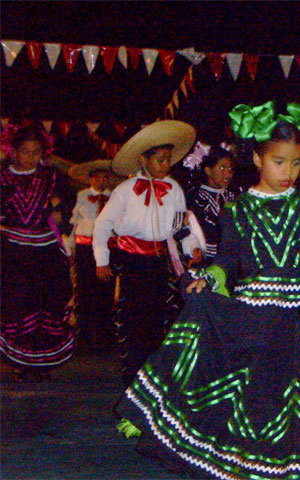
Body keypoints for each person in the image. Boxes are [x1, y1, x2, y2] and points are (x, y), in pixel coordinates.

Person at [115, 101, 300, 479]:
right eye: (279, 161)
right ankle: (250, 461)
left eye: (296, 162)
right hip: (254, 317)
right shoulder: (236, 211)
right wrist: (207, 278)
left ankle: (295, 463)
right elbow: (227, 261)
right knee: (258, 390)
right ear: (257, 158)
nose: (288, 171)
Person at [92, 120, 202, 386]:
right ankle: (132, 373)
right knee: (133, 316)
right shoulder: (126, 191)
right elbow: (102, 225)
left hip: (158, 261)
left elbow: (179, 224)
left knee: (157, 316)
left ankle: (152, 375)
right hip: (131, 260)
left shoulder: (174, 189)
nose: (166, 165)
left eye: (168, 160)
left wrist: (192, 247)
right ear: (144, 160)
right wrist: (102, 260)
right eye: (160, 160)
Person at [0, 123, 74, 380]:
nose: (30, 157)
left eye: (36, 152)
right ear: (13, 151)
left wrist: (58, 215)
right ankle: (23, 364)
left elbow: (61, 207)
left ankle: (42, 364)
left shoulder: (49, 176)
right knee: (20, 307)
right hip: (15, 253)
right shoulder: (3, 177)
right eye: (25, 151)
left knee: (47, 307)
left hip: (46, 253)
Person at [67, 160, 116, 352]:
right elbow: (75, 222)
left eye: (105, 177)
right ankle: (84, 333)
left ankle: (105, 333)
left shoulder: (114, 197)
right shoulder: (83, 196)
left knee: (106, 288)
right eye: (98, 177)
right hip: (85, 246)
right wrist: (70, 246)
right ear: (90, 179)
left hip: (106, 246)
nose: (102, 181)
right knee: (84, 289)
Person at [183, 141, 237, 265]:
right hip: (203, 259)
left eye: (230, 168)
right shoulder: (195, 197)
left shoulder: (233, 196)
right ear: (208, 170)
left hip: (230, 260)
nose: (228, 173)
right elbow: (188, 228)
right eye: (222, 167)